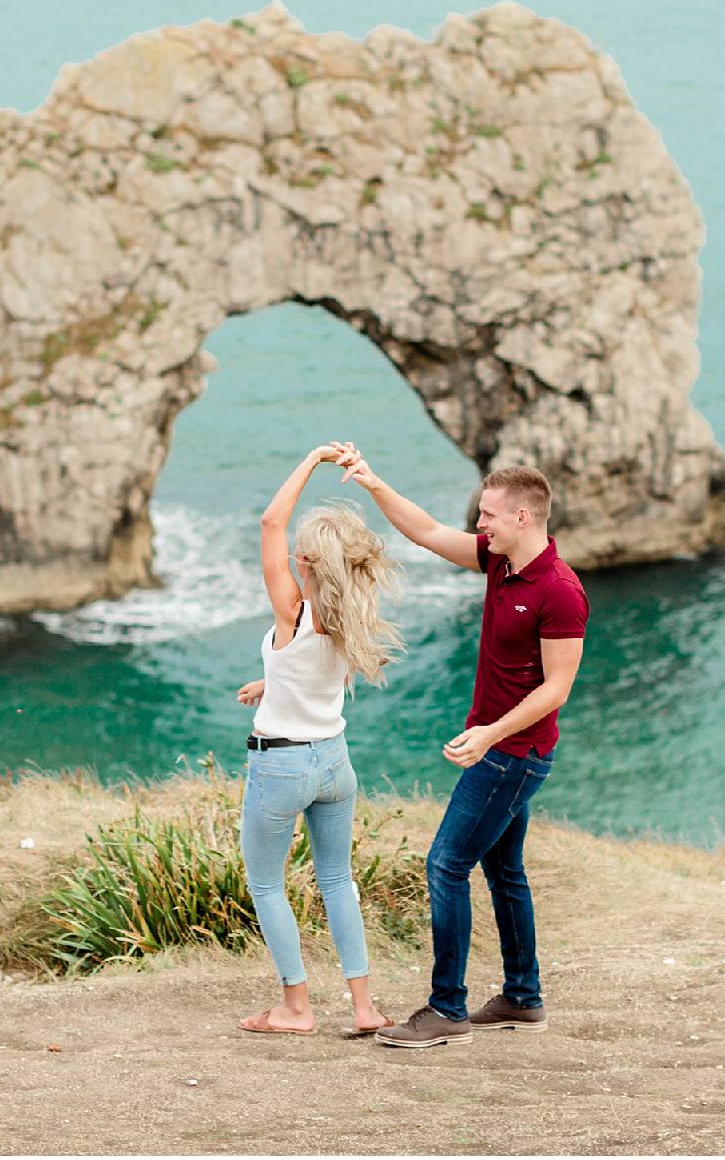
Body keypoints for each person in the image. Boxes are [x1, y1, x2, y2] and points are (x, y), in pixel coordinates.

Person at [332, 445, 588, 1049]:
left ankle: (446, 1008)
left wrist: (490, 735)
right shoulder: (499, 563)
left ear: (523, 517)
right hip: (502, 749)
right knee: (505, 871)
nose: (480, 524)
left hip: (512, 756)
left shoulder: (559, 591)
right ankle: (523, 999)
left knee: (446, 865)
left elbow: (557, 688)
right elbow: (423, 530)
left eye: (490, 516)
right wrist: (373, 482)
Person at [234, 444, 404, 1037]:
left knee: (266, 884)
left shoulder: (293, 610)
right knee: (337, 881)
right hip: (335, 764)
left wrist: (309, 460)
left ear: (304, 559)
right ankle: (362, 1008)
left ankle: (296, 1009)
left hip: (281, 767)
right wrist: (269, 681)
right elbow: (317, 675)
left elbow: (270, 521)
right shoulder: (351, 617)